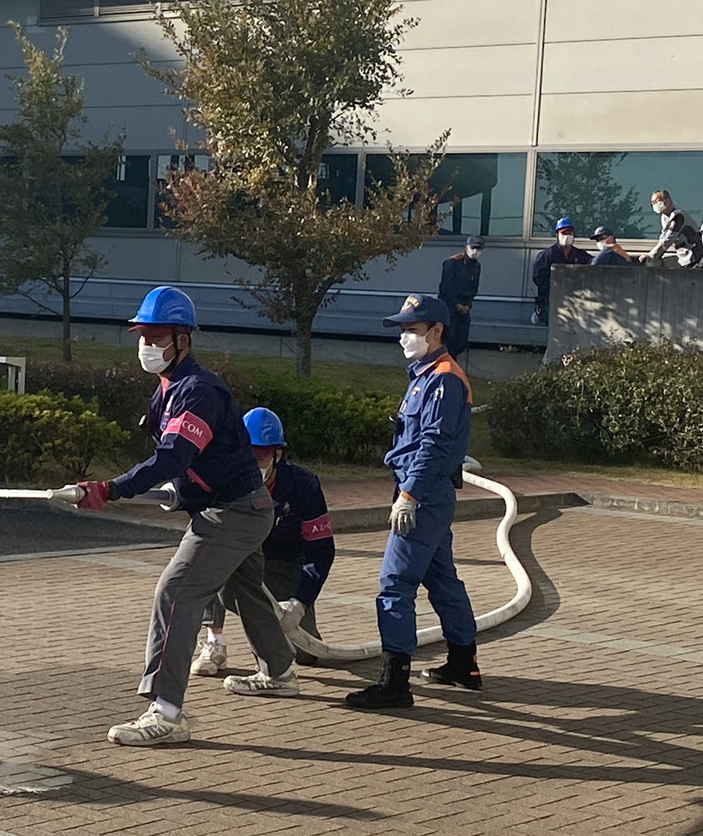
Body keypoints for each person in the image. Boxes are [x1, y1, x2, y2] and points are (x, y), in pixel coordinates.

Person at [69, 286, 290, 746]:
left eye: (156, 336)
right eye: (142, 336)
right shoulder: (169, 389)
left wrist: (111, 489)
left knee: (175, 592)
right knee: (245, 588)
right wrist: (180, 491)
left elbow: (173, 456)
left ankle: (166, 712)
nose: (147, 346)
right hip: (247, 506)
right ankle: (281, 670)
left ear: (183, 339)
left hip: (233, 512)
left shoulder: (199, 391)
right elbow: (192, 464)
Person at [344, 293, 482, 709]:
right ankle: (463, 664)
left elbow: (434, 444)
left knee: (394, 584)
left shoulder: (442, 378)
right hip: (428, 492)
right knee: (441, 579)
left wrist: (408, 495)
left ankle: (394, 682)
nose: (404, 336)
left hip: (421, 494)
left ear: (436, 331)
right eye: (403, 328)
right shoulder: (426, 373)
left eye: (411, 328)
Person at [190, 407, 335, 675]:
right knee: (207, 554)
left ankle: (282, 626)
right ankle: (215, 642)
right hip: (239, 563)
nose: (256, 462)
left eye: (263, 454)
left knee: (305, 653)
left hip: (283, 567)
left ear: (278, 453)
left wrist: (299, 604)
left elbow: (321, 550)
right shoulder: (225, 482)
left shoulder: (303, 486)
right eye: (249, 453)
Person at [530, 218, 589, 324]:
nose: (567, 235)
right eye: (564, 232)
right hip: (551, 299)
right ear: (557, 234)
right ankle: (540, 312)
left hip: (574, 300)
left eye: (570, 232)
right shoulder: (547, 255)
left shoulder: (579, 254)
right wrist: (554, 289)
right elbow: (538, 277)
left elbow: (593, 263)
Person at [437, 236, 482, 357]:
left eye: (478, 248)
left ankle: (453, 362)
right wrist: (457, 304)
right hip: (449, 306)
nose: (475, 251)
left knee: (461, 340)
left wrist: (468, 305)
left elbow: (474, 287)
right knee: (449, 339)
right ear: (466, 247)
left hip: (464, 307)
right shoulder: (452, 263)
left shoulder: (476, 266)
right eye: (473, 248)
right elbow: (446, 287)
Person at [642, 191, 702, 267]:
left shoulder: (678, 215)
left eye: (657, 201)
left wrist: (652, 255)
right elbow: (663, 237)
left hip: (695, 253)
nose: (654, 205)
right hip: (683, 254)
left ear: (668, 201)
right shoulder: (664, 217)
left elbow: (669, 238)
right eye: (652, 202)